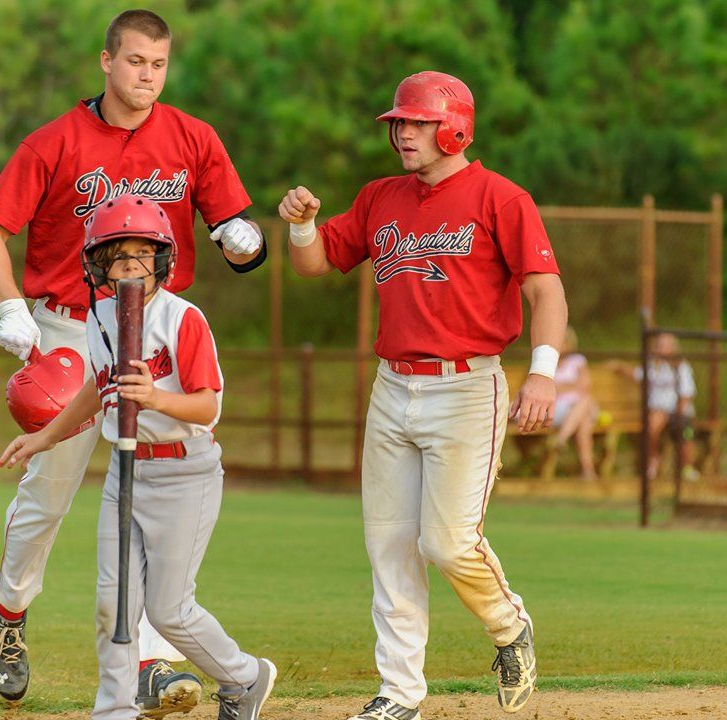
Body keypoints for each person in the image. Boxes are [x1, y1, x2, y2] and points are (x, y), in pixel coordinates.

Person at [0, 9, 265, 711]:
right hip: (73, 327)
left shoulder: (193, 137)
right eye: (134, 62)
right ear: (106, 62)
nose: (147, 76)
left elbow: (231, 224)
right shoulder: (56, 141)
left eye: (158, 65)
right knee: (50, 492)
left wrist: (242, 238)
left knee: (149, 487)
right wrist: (12, 307)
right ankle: (10, 614)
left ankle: (148, 665)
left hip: (158, 325)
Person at [278, 71, 567, 718]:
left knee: (448, 542)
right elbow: (317, 263)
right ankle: (400, 694)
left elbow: (545, 289)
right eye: (398, 124)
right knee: (389, 544)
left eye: (416, 122)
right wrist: (302, 225)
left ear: (455, 127)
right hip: (393, 387)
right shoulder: (382, 197)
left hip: (467, 388)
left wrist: (543, 373)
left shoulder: (501, 197)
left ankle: (507, 625)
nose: (402, 133)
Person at [0, 195, 276, 720]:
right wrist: (47, 437)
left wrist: (154, 398)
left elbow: (207, 405)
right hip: (127, 470)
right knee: (115, 603)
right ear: (96, 263)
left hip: (185, 470)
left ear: (162, 259)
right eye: (116, 253)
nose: (129, 263)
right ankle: (115, 710)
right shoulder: (101, 315)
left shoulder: (182, 319)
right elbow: (96, 386)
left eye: (141, 252)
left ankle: (244, 676)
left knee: (169, 610)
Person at [610, 332, 700, 482]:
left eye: (665, 346)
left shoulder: (681, 366)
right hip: (657, 411)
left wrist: (678, 415)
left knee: (686, 432)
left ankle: (687, 467)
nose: (661, 349)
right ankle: (653, 461)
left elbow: (686, 395)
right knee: (653, 422)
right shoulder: (652, 366)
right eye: (659, 345)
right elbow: (635, 374)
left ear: (673, 348)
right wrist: (619, 366)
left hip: (679, 412)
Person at [550, 327, 598, 480]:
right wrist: (572, 385)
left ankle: (561, 440)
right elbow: (544, 388)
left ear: (569, 344)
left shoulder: (578, 361)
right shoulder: (545, 363)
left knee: (584, 409)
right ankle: (588, 471)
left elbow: (585, 385)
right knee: (585, 408)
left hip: (575, 409)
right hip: (554, 410)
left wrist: (560, 387)